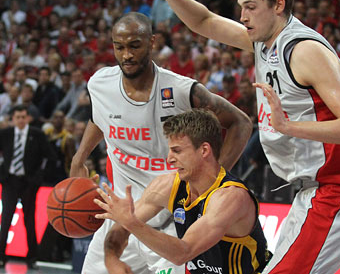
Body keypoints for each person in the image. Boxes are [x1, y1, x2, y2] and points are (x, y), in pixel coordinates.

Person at [152, 0, 340, 273]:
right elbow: (204, 21)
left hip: (339, 186)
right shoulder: (263, 40)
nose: (243, 16)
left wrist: (290, 127)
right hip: (311, 188)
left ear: (278, 5)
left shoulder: (303, 50)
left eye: (251, 8)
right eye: (241, 7)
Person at [70, 12, 252, 274]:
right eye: (119, 47)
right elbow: (100, 117)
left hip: (173, 224)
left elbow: (241, 123)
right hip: (124, 218)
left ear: (152, 42)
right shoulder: (100, 84)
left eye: (135, 45)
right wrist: (80, 157)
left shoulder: (180, 90)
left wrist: (210, 184)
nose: (127, 55)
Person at [95, 109, 270, 274]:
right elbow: (121, 227)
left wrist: (131, 223)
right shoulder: (169, 185)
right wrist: (112, 259)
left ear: (204, 150)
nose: (169, 159)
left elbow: (183, 253)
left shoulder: (230, 197)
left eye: (177, 151)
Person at [0, 105, 56, 269]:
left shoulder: (37, 135)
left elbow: (50, 156)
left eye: (23, 117)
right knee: (6, 219)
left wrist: (38, 178)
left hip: (29, 183)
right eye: (18, 117)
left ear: (28, 118)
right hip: (10, 181)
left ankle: (32, 258)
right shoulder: (6, 134)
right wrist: (2, 174)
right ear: (13, 119)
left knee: (29, 220)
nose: (21, 120)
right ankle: (1, 257)